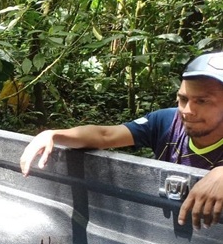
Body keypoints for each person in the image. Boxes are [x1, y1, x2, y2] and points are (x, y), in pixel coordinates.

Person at [20, 51, 223, 230]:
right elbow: (105, 135)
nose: (188, 111)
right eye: (184, 99)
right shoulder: (167, 122)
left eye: (202, 101)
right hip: (163, 232)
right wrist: (54, 135)